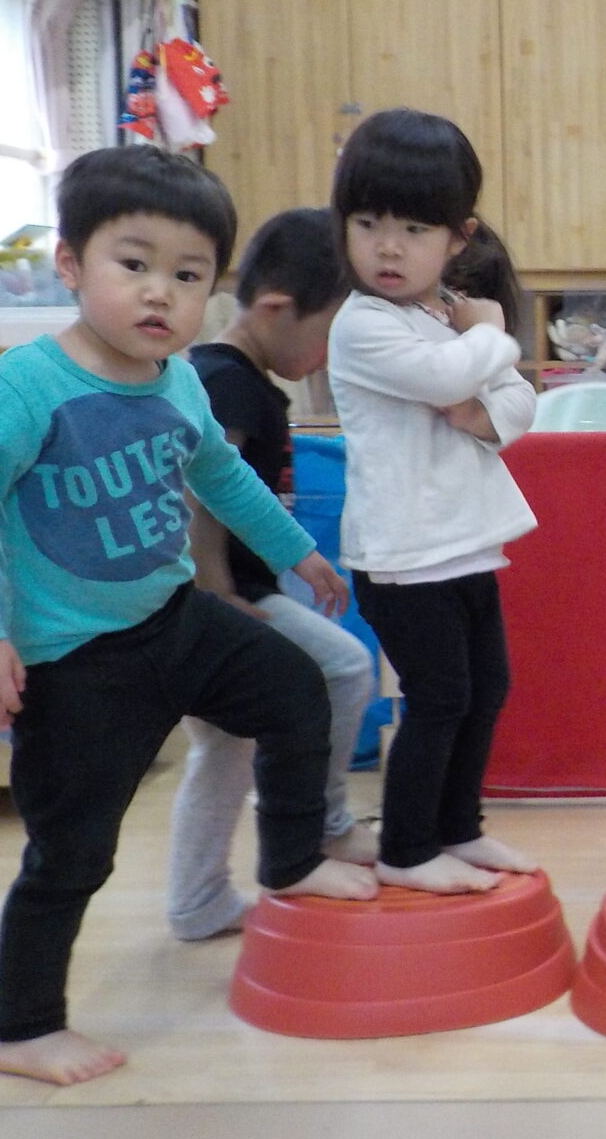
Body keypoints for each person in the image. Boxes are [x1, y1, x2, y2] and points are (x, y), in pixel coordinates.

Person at [0, 147, 378, 1088]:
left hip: (172, 618)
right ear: (69, 263)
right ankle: (20, 1026)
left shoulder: (175, 380)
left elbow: (219, 471)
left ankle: (290, 859)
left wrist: (295, 548)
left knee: (298, 692)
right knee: (73, 852)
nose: (159, 295)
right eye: (132, 264)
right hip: (71, 662)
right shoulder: (22, 388)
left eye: (187, 275)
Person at [326, 108, 540, 896]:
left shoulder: (434, 315)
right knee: (440, 698)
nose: (388, 245)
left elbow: (516, 407)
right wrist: (489, 333)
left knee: (487, 691)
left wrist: (484, 401)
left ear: (458, 238)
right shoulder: (363, 326)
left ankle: (458, 827)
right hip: (404, 552)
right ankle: (408, 849)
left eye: (414, 228)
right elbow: (456, 380)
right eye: (369, 222)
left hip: (463, 542)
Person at [166, 207, 380, 942]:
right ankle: (321, 827)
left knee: (224, 748)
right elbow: (200, 488)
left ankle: (197, 904)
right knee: (347, 668)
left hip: (236, 591)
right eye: (327, 334)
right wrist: (219, 593)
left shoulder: (242, 379)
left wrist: (298, 558)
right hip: (220, 599)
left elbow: (249, 497)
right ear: (275, 308)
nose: (326, 355)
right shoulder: (225, 381)